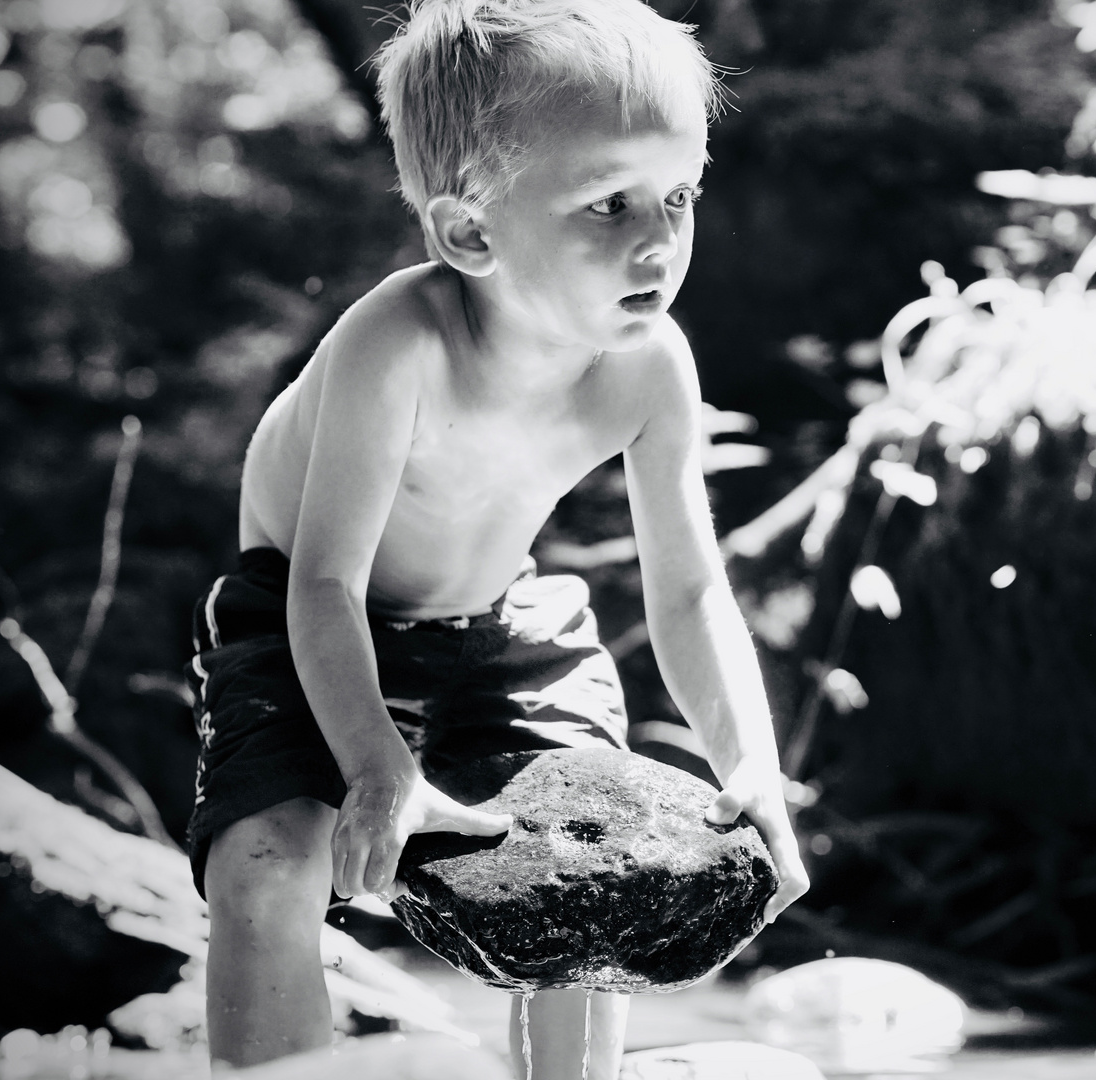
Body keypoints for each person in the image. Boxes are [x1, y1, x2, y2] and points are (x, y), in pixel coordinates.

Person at [181, 0, 809, 1073]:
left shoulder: (651, 366)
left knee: (592, 863)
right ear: (470, 230)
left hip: (497, 622)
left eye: (678, 194)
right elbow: (322, 587)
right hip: (314, 618)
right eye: (608, 204)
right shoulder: (398, 343)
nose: (659, 238)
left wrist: (748, 763)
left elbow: (692, 593)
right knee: (268, 864)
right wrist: (377, 769)